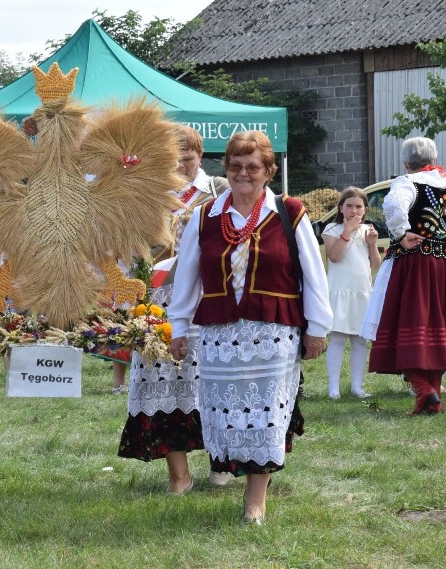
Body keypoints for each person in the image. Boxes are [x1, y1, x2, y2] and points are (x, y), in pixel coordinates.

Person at [168, 130, 331, 525]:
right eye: (236, 166)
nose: (244, 174)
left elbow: (313, 273)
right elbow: (187, 274)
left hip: (273, 334)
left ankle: (255, 500)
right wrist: (177, 326)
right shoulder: (205, 216)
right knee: (228, 416)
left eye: (252, 167)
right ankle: (233, 474)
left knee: (265, 416)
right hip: (220, 336)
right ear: (226, 168)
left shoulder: (289, 212)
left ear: (268, 171)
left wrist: (318, 327)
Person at [118, 125, 229, 492]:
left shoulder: (220, 191)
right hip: (159, 301)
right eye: (172, 157)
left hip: (209, 300)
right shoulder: (146, 194)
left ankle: (222, 463)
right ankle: (179, 476)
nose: (180, 163)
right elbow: (129, 249)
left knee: (216, 383)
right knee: (164, 385)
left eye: (187, 155)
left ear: (200, 154)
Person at [363, 136, 446, 415]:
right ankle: (430, 399)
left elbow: (393, 205)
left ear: (406, 162)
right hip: (444, 263)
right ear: (433, 160)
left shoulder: (407, 182)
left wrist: (401, 232)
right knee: (437, 326)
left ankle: (425, 389)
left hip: (417, 262)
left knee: (403, 322)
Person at [322, 187, 381, 400]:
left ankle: (357, 386)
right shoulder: (332, 229)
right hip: (340, 291)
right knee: (337, 338)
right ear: (341, 208)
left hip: (362, 292)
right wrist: (346, 232)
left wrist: (372, 245)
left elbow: (375, 265)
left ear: (365, 210)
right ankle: (333, 389)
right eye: (349, 206)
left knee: (359, 340)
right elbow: (335, 256)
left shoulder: (368, 230)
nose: (354, 210)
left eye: (358, 206)